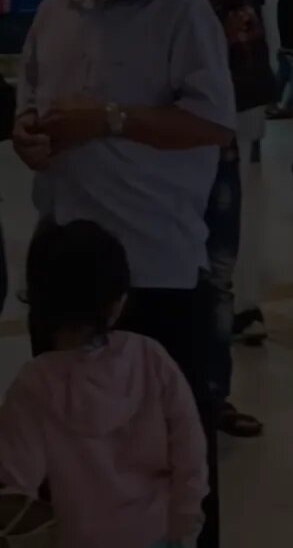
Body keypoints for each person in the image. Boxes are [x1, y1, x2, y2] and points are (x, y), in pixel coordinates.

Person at [12, 0, 232, 545]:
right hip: (70, 260)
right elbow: (32, 112)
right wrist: (31, 139)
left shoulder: (180, 12)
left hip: (155, 261)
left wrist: (109, 120)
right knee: (72, 438)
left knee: (173, 440)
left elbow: (214, 123)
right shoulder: (53, 13)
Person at [147, 0, 275, 438]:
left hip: (212, 147)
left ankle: (212, 397)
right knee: (153, 277)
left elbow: (247, 54)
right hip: (147, 153)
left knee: (217, 274)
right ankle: (156, 406)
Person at [0, 221, 208, 548]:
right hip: (157, 530)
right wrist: (184, 517)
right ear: (117, 304)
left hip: (79, 537)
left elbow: (15, 485)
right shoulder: (150, 357)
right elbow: (190, 447)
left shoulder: (33, 385)